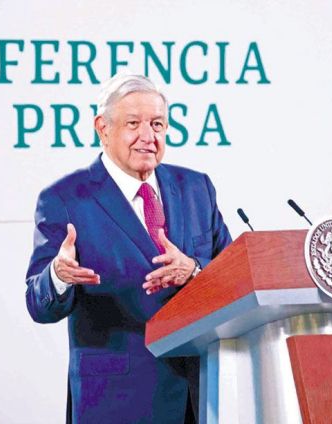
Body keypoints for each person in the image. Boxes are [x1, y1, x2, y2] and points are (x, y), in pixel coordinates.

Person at [24, 73, 232, 423]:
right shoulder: (65, 199)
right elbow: (37, 303)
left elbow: (233, 275)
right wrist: (58, 276)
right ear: (102, 129)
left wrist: (194, 270)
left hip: (202, 397)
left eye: (157, 124)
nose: (148, 136)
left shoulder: (197, 187)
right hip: (117, 401)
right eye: (133, 124)